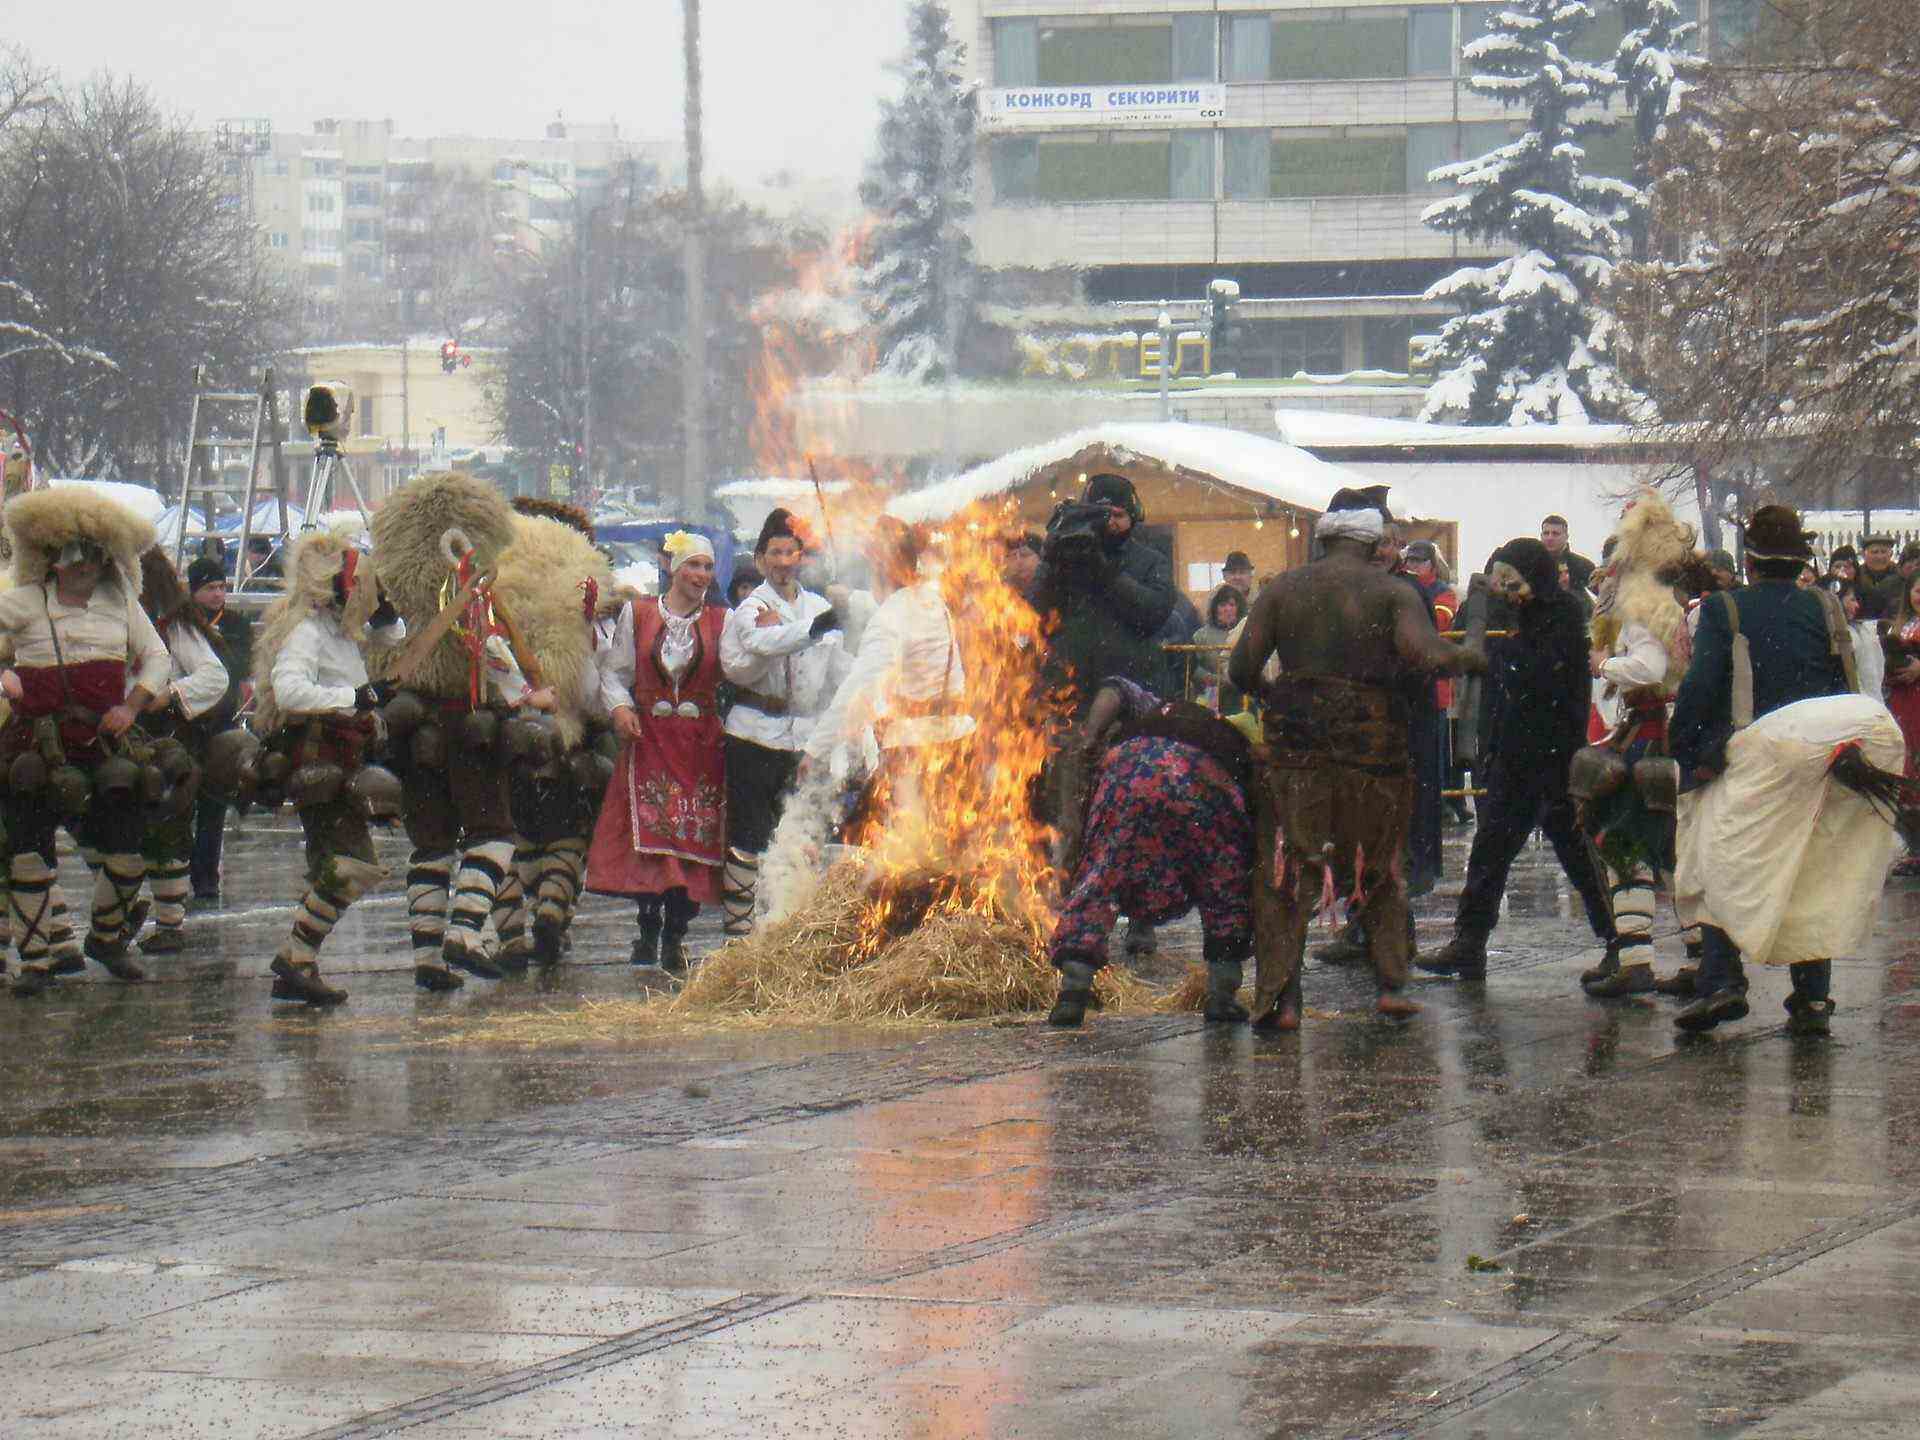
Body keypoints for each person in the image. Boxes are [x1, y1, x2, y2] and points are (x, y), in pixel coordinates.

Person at [1229, 487, 1486, 1030]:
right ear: (1372, 544)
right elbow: (1423, 653)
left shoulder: (1283, 589)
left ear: (1324, 540)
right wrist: (1467, 655)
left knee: (1288, 871)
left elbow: (1241, 668)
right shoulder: (1391, 592)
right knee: (1378, 865)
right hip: (1373, 752)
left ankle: (1283, 1001)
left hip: (1298, 751)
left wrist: (1277, 697)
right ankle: (1390, 986)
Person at [1670, 504, 1892, 1036]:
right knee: (1806, 868)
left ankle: (1723, 981)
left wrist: (1688, 748)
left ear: (1750, 561)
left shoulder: (1724, 609)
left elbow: (1701, 686)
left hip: (1750, 754)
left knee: (1717, 863)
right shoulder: (1825, 606)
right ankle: (1812, 997)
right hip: (1815, 752)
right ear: (1799, 560)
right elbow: (1845, 685)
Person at [1418, 537, 1619, 981]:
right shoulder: (1518, 618)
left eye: (1513, 583)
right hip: (1514, 757)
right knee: (1489, 851)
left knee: (1578, 854)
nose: (1507, 593)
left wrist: (1498, 654)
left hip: (1554, 757)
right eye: (1501, 584)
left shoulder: (1563, 615)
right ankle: (1469, 942)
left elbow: (1539, 675)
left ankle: (1617, 940)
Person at [372, 471, 538, 992]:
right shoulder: (468, 588)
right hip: (466, 725)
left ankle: (427, 959)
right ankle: (465, 932)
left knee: (432, 842)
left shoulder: (387, 592)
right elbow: (491, 653)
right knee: (494, 833)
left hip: (410, 728)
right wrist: (527, 695)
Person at [0, 489, 170, 996]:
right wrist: (5, 678)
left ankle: (106, 939)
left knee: (128, 851)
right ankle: (36, 962)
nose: (85, 567)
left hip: (103, 743)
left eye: (94, 556)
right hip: (35, 742)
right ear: (54, 559)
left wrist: (131, 706)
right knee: (29, 854)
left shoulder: (122, 604)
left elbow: (157, 657)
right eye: (75, 557)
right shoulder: (25, 601)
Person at [1045, 678, 1254, 1028]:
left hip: (1126, 775)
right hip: (1202, 784)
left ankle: (1072, 993)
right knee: (1223, 882)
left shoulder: (1155, 709)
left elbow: (1114, 689)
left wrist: (1092, 737)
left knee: (1102, 876)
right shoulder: (1232, 743)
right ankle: (1222, 995)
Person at [251, 531, 405, 1005]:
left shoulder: (340, 629)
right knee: (351, 864)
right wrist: (353, 697)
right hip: (319, 762)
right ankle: (295, 958)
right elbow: (289, 691)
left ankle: (297, 965)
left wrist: (384, 611)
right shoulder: (307, 630)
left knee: (331, 867)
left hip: (346, 758)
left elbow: (393, 638)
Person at [1575, 492, 1708, 999]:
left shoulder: (1641, 608)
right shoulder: (1671, 603)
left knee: (1627, 847)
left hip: (1651, 736)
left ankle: (1636, 963)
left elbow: (1648, 669)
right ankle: (1702, 961)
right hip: (1667, 734)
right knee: (1673, 852)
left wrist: (1605, 665)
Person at [587, 532, 727, 972]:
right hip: (650, 738)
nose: (701, 575)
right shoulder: (640, 613)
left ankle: (676, 934)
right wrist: (620, 708)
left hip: (700, 745)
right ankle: (648, 928)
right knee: (652, 838)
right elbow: (615, 672)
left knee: (690, 839)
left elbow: (745, 668)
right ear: (673, 568)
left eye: (707, 567)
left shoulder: (722, 620)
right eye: (693, 565)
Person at [718, 508, 848, 935]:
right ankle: (739, 933)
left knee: (798, 833)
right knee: (750, 836)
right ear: (760, 559)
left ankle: (789, 927)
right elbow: (761, 642)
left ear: (800, 558)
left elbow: (838, 671)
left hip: (804, 739)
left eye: (789, 553)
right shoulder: (751, 608)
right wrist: (814, 628)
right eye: (774, 553)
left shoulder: (820, 606)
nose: (782, 562)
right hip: (754, 735)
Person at [131, 549, 233, 954]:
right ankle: (117, 914)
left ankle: (169, 923)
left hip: (163, 736)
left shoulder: (172, 625)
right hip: (116, 730)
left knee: (166, 823)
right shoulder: (112, 617)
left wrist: (170, 694)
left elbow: (214, 676)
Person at [1028, 473, 1176, 720]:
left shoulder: (1151, 561)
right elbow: (1034, 612)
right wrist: (1051, 561)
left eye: (1118, 515)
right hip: (1072, 694)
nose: (1110, 523)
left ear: (1133, 516)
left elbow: (1153, 613)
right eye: (1101, 515)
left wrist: (1107, 572)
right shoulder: (1065, 560)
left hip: (1131, 693)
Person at [184, 556, 251, 900]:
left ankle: (206, 877)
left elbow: (238, 665)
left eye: (222, 587)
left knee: (214, 802)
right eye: (210, 587)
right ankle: (177, 868)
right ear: (193, 590)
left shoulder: (236, 624)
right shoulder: (181, 624)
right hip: (185, 722)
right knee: (181, 800)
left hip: (221, 722)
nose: (217, 594)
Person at [1881, 571, 1920, 876]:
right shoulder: (1900, 625)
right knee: (1905, 768)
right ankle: (1913, 847)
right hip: (1902, 702)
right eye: (1918, 590)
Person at [1191, 585, 1245, 713]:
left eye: (1232, 605)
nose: (1228, 609)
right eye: (1222, 605)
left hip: (1242, 698)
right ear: (1214, 609)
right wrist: (1213, 679)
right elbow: (1192, 666)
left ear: (1238, 608)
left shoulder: (1246, 632)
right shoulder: (1201, 635)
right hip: (1210, 697)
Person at [1540, 514, 1595, 594]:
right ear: (1541, 536)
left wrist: (1568, 590)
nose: (1550, 538)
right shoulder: (1531, 563)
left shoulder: (1582, 565)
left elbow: (1604, 594)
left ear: (1566, 537)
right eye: (1546, 533)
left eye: (1555, 534)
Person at [1858, 534, 1903, 620]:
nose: (1879, 557)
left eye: (1883, 552)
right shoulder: (1856, 576)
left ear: (1891, 554)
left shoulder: (1901, 576)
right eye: (1874, 552)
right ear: (1863, 554)